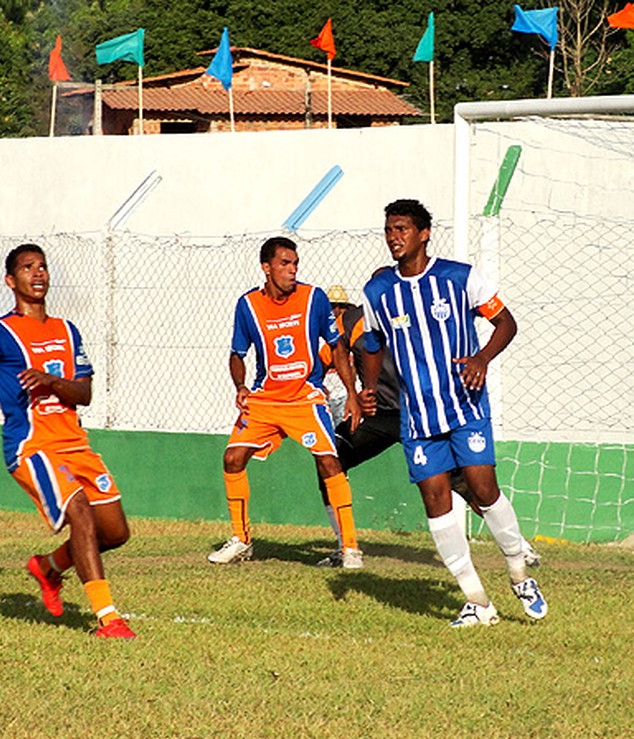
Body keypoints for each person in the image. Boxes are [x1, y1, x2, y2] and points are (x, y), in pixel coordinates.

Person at [361, 198, 547, 627]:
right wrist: (367, 388)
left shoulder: (459, 278)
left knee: (483, 489)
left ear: (424, 233)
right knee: (436, 501)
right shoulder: (378, 291)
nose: (394, 237)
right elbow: (372, 343)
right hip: (419, 418)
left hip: (465, 406)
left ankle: (519, 570)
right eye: (389, 229)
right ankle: (477, 601)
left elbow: (507, 323)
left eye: (403, 228)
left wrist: (481, 359)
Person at [0, 243, 135, 638]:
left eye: (43, 267)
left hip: (75, 444)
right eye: (28, 268)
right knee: (80, 512)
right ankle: (109, 619)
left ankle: (48, 567)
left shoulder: (67, 330)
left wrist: (52, 381)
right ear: (11, 280)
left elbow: (83, 393)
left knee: (116, 533)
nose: (38, 274)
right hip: (31, 448)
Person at [315, 284, 541, 569]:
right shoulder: (359, 320)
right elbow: (328, 355)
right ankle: (346, 548)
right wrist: (349, 394)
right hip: (384, 414)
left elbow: (324, 358)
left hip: (420, 414)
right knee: (330, 459)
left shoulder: (405, 313)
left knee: (467, 482)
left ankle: (519, 546)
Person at [209, 236, 364, 568]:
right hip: (264, 399)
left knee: (329, 463)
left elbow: (337, 347)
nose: (292, 270)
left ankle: (350, 548)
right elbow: (237, 353)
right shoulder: (247, 305)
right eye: (284, 264)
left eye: (295, 264)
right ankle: (241, 539)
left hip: (305, 398)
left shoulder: (313, 298)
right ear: (266, 268)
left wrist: (352, 395)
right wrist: (240, 385)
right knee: (233, 458)